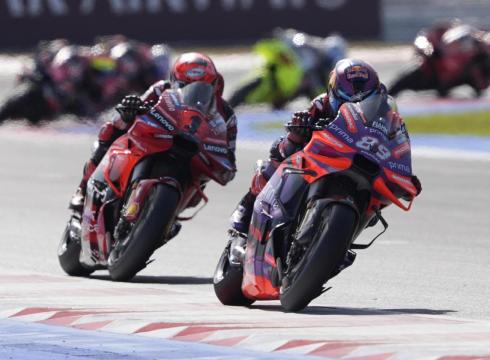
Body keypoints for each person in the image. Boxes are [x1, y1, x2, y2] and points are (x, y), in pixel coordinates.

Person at [226, 58, 422, 263]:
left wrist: (405, 175)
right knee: (276, 157)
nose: (354, 102)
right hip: (322, 156)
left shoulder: (388, 114)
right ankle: (243, 220)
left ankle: (340, 243)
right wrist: (297, 131)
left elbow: (398, 143)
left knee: (378, 202)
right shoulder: (321, 103)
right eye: (348, 98)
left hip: (362, 158)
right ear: (334, 91)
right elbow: (292, 134)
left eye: (362, 97)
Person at [69, 52, 237, 211]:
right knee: (110, 129)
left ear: (215, 85)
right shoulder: (160, 89)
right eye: (185, 86)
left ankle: (166, 219)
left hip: (194, 158)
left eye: (204, 88)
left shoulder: (226, 114)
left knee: (195, 199)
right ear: (174, 81)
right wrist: (129, 110)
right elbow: (130, 109)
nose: (196, 94)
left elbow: (229, 162)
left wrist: (220, 163)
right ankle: (83, 189)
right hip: (160, 137)